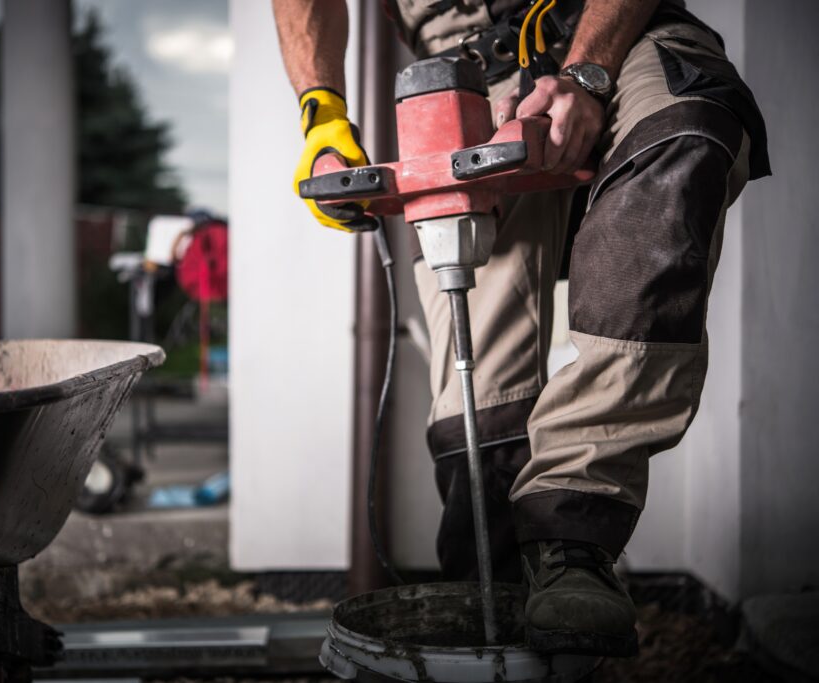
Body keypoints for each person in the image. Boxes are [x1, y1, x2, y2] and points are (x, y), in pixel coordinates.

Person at [273, 0, 769, 656]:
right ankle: (493, 586)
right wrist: (322, 112)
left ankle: (571, 533)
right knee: (478, 362)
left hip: (620, 30)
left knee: (681, 130)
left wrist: (588, 72)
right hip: (465, 70)